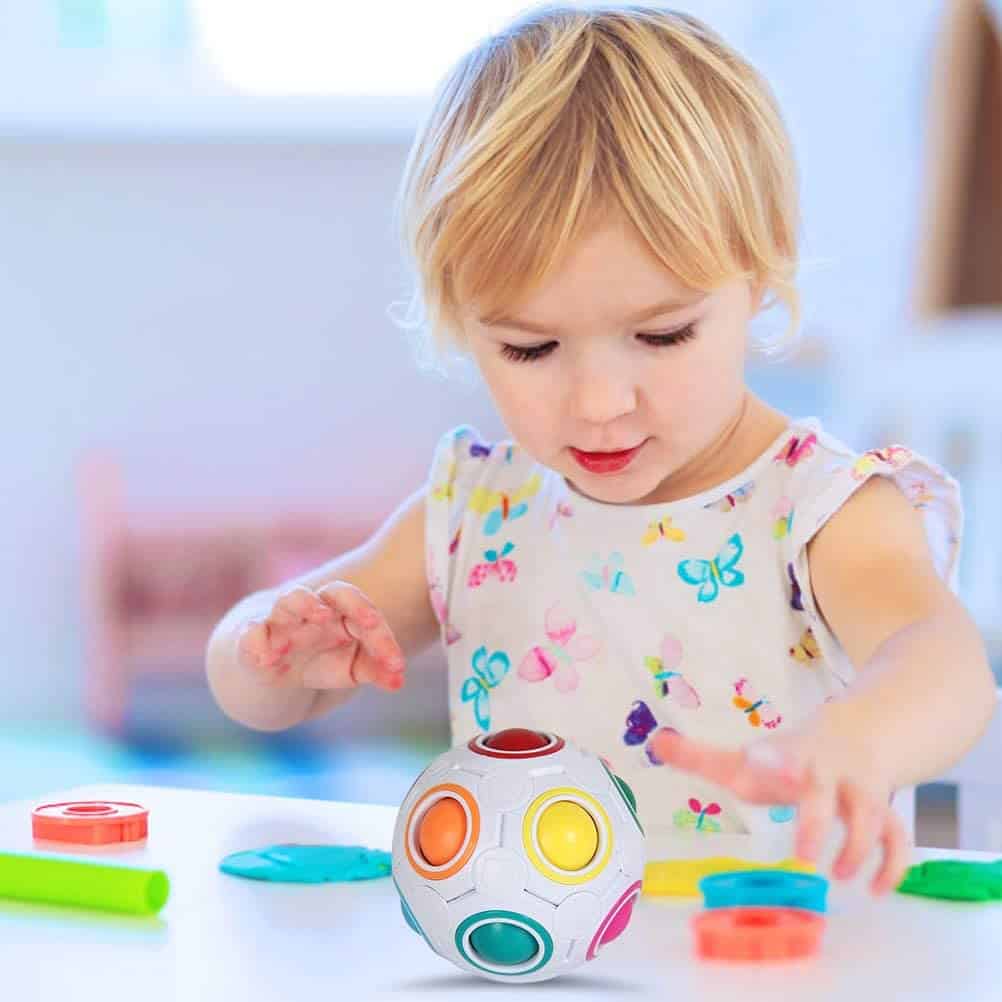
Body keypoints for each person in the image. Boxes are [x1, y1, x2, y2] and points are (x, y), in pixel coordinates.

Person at [206, 4, 995, 894]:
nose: (598, 404)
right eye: (529, 349)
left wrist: (860, 739)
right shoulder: (475, 512)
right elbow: (266, 692)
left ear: (762, 272)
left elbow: (947, 663)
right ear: (461, 324)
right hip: (533, 958)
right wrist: (264, 651)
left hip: (777, 961)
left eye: (661, 336)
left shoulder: (823, 510)